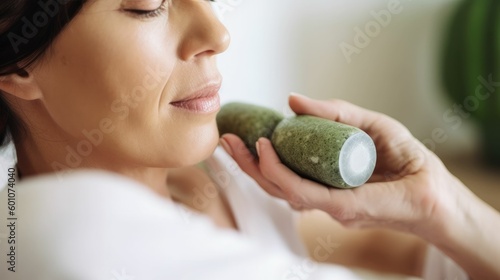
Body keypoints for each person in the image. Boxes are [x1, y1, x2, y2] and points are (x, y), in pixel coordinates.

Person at [0, 1, 498, 279]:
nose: (218, 31)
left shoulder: (231, 175)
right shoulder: (42, 233)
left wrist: (438, 204)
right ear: (18, 63)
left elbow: (404, 254)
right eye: (148, 5)